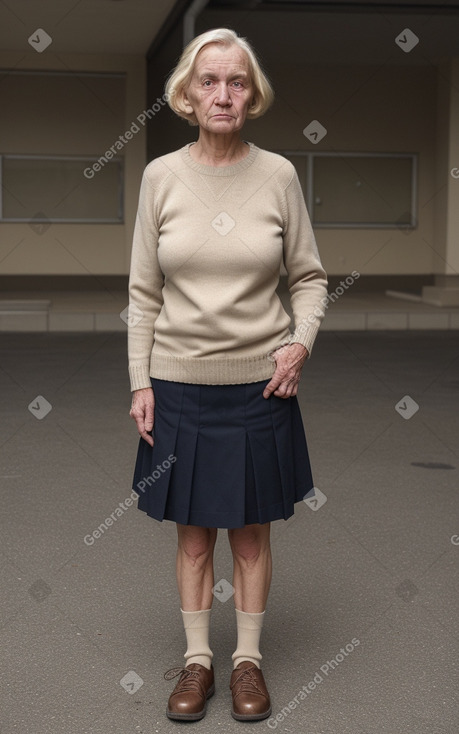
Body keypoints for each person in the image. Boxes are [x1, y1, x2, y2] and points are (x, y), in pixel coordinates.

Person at [128, 27, 328, 723]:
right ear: (185, 94)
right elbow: (143, 294)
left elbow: (307, 278)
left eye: (236, 82)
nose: (222, 93)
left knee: (248, 534)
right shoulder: (161, 177)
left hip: (258, 388)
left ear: (252, 95)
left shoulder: (276, 175)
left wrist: (298, 342)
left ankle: (246, 662)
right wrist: (140, 381)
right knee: (191, 535)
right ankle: (197, 662)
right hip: (179, 384)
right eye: (209, 81)